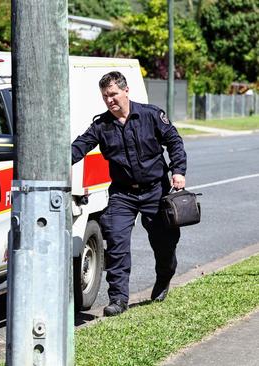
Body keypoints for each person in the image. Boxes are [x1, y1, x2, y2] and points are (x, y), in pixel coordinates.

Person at [72, 71, 187, 317]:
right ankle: (118, 299)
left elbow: (174, 142)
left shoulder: (151, 115)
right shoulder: (101, 125)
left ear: (126, 91)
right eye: (105, 96)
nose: (110, 100)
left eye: (113, 94)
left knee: (164, 243)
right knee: (116, 243)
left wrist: (178, 170)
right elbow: (80, 146)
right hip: (122, 194)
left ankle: (164, 275)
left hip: (156, 190)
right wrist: (55, 162)